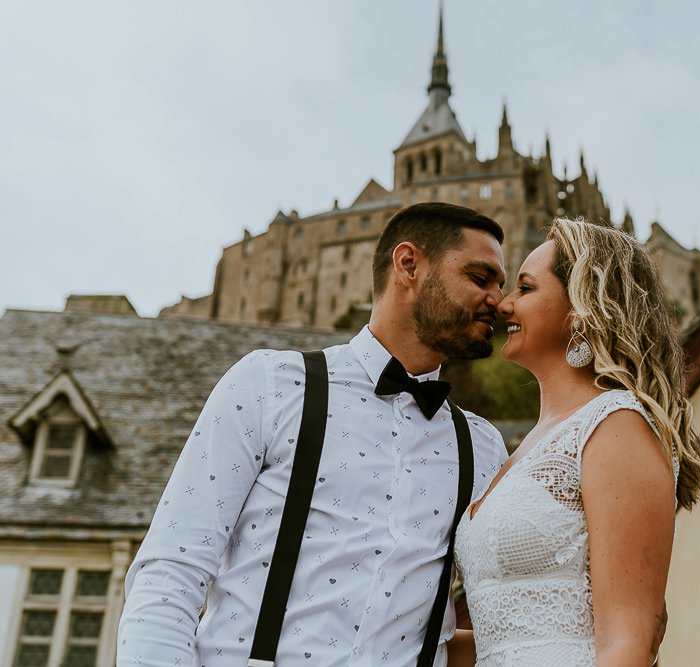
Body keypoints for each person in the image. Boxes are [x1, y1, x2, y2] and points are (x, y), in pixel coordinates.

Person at [117, 202, 510, 666]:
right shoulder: (268, 385)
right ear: (408, 265)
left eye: (502, 286)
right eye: (480, 278)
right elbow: (171, 570)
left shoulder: (483, 448)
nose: (499, 302)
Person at [451, 218, 700, 666]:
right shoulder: (528, 446)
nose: (505, 304)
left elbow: (627, 641)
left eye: (526, 289)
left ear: (582, 309)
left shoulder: (617, 424)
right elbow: (511, 638)